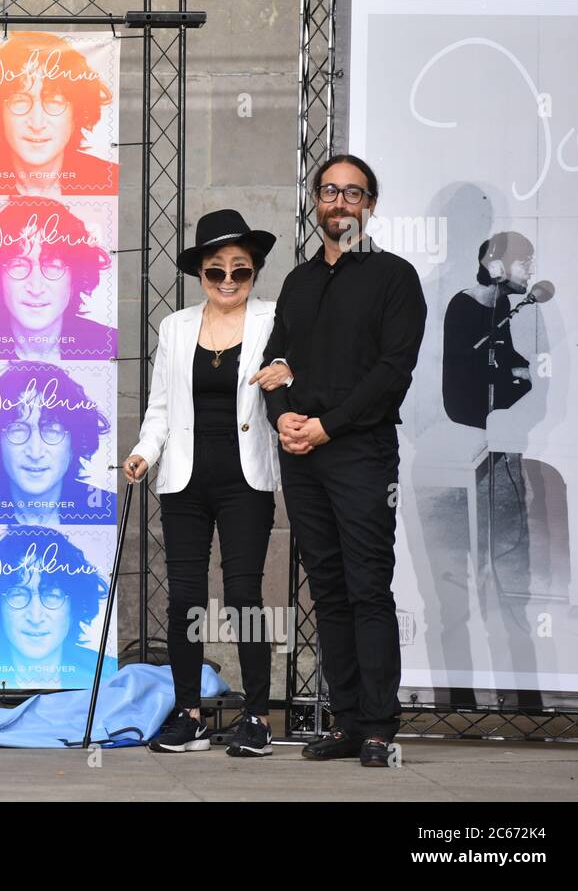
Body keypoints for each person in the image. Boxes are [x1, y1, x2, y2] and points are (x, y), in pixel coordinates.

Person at [263, 154, 427, 767]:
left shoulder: (394, 278)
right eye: (330, 191)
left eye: (352, 193)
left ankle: (381, 725)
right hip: (302, 453)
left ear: (370, 205)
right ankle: (348, 721)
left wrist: (327, 426)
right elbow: (276, 361)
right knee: (327, 590)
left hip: (359, 453)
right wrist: (282, 413)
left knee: (366, 588)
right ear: (316, 200)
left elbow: (393, 372)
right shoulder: (298, 283)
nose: (340, 202)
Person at [123, 209, 287, 757]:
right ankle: (189, 714)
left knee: (243, 596)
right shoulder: (175, 326)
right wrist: (144, 453)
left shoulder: (273, 320)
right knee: (186, 600)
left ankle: (258, 718)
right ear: (201, 275)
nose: (228, 282)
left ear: (255, 272)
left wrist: (290, 374)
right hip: (184, 481)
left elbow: (298, 380)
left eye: (240, 271)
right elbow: (160, 409)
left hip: (246, 478)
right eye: (216, 271)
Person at [0, 31, 117, 196]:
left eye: (54, 102)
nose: (37, 123)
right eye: (20, 101)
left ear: (76, 115)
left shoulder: (108, 180)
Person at [0, 197, 115, 360]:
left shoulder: (113, 347)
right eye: (18, 265)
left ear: (75, 278)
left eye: (53, 266)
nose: (36, 287)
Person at [0, 361, 114, 525]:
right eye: (17, 430)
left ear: (74, 443)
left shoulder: (109, 511)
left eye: (52, 430)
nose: (35, 452)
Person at [0, 526, 114, 689]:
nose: (35, 616)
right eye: (17, 595)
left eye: (52, 595)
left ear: (74, 608)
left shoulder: (108, 676)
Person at [442, 231, 535, 429]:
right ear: (497, 268)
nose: (531, 271)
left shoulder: (502, 304)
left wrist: (532, 368)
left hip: (492, 388)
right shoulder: (461, 306)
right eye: (525, 264)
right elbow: (465, 369)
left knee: (535, 392)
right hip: (467, 403)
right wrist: (514, 373)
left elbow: (505, 352)